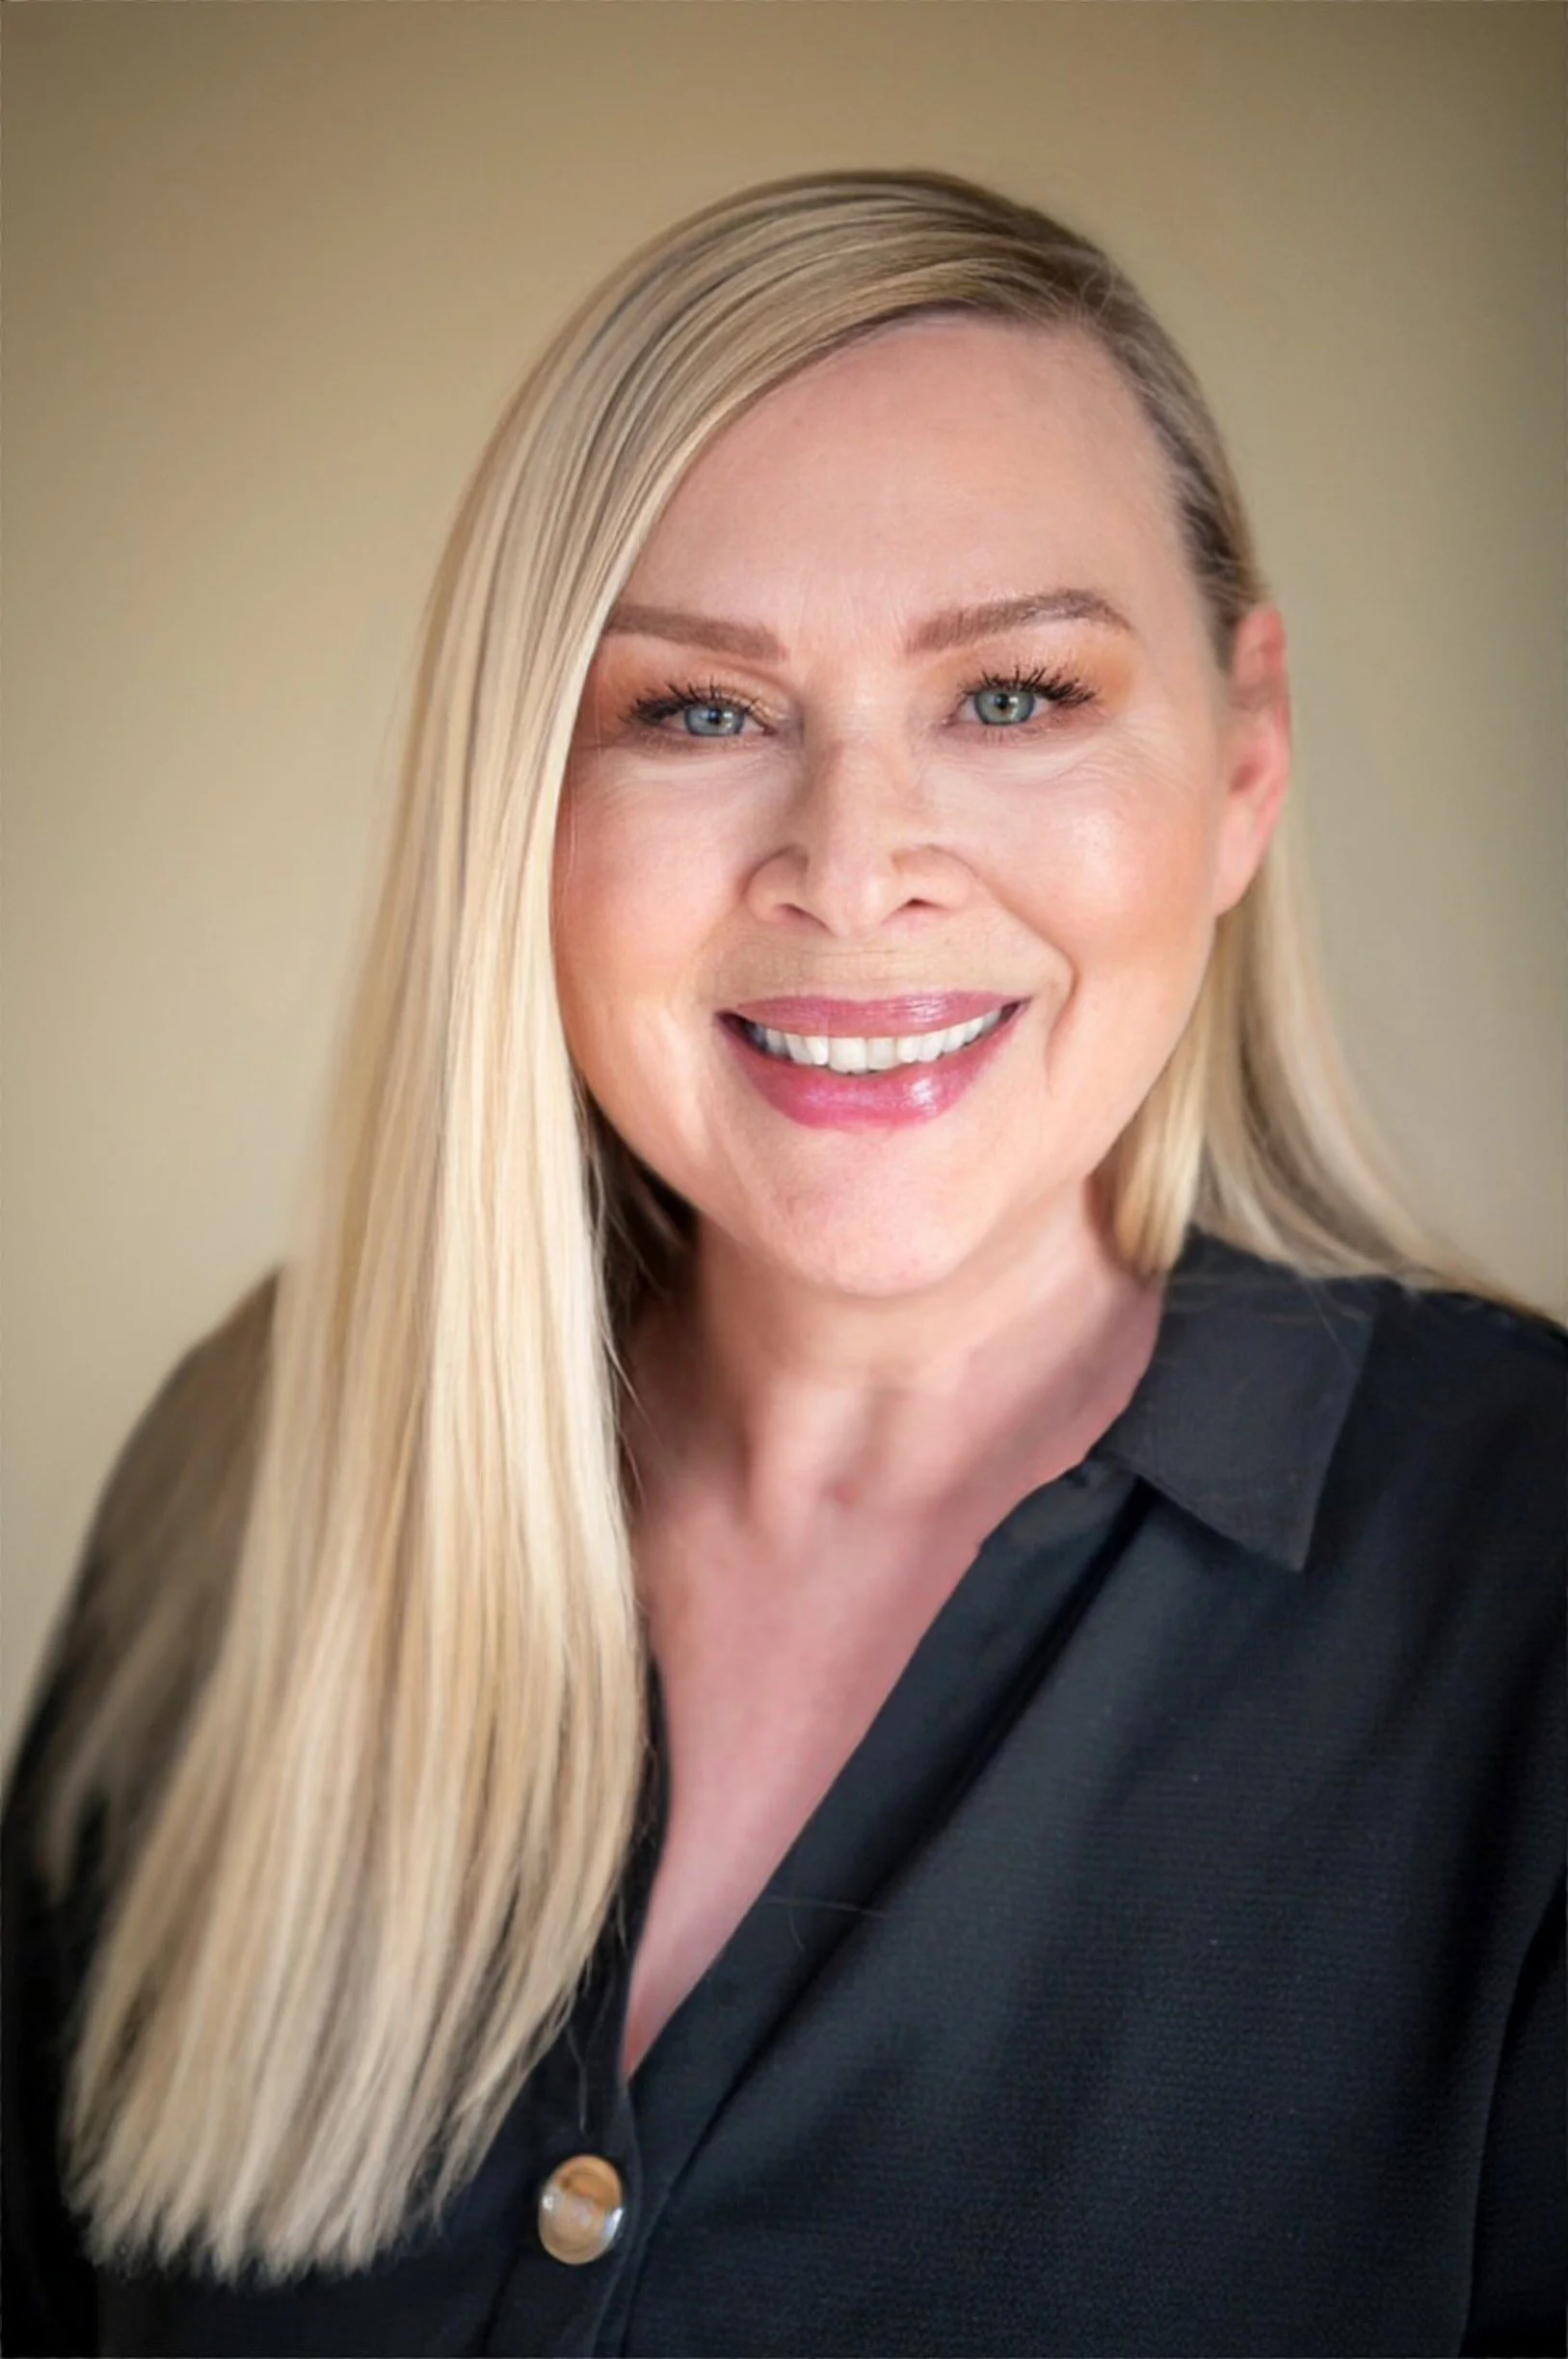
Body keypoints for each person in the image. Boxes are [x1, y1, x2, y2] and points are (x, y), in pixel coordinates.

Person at [3, 168, 1562, 2359]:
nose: (853, 871)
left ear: (1240, 757)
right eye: (700, 711)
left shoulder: (1524, 1596)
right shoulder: (245, 1473)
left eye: (1014, 694)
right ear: (520, 811)